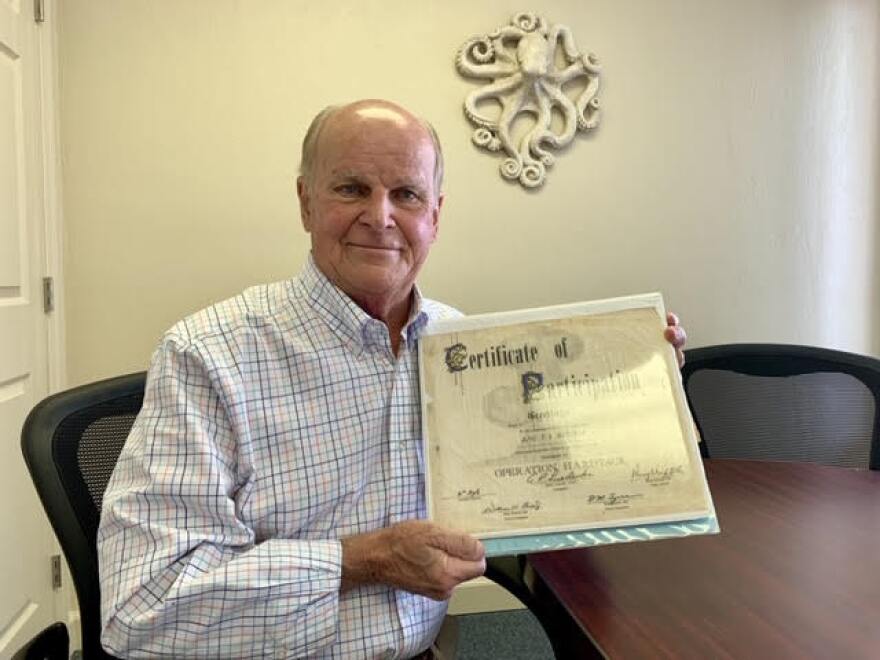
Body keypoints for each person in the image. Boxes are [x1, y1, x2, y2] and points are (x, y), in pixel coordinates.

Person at [97, 99, 688, 659]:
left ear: (434, 215)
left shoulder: (462, 345)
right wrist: (363, 560)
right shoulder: (207, 354)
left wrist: (634, 389)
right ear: (305, 202)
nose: (379, 217)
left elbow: (548, 482)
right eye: (351, 188)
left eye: (406, 194)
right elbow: (141, 610)